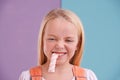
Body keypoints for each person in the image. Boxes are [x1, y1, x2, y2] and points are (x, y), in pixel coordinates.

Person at [19, 8, 97, 80]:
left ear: (78, 44)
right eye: (52, 39)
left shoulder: (88, 76)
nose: (59, 46)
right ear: (42, 41)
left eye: (68, 40)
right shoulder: (27, 77)